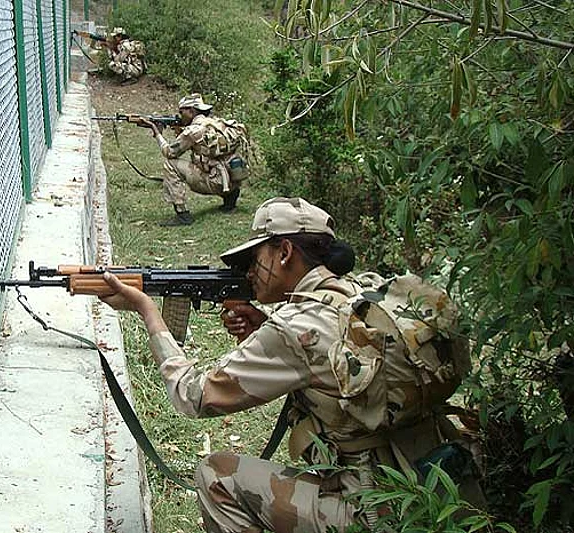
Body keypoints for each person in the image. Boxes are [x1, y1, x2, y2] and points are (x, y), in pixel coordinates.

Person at [98, 197, 484, 533]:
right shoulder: (362, 294)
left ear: (284, 252)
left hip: (372, 512)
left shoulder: (296, 327)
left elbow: (193, 396)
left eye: (254, 259)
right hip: (437, 489)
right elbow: (333, 367)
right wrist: (264, 328)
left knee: (216, 475)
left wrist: (147, 311)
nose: (249, 272)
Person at [139, 94, 250, 226]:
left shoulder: (193, 131)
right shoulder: (216, 123)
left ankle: (183, 215)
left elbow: (169, 152)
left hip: (216, 182)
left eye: (182, 112)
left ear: (191, 111)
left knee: (170, 164)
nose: (180, 116)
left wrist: (157, 133)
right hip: (233, 178)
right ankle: (230, 201)